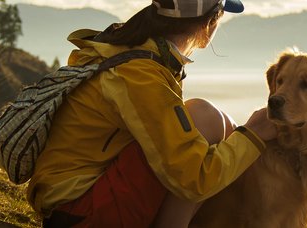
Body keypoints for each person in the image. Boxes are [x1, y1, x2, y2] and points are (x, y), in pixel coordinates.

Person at [26, 0, 276, 227]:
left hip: (72, 202)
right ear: (210, 24)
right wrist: (252, 135)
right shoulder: (140, 73)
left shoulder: (137, 52)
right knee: (206, 118)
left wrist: (236, 133)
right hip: (81, 212)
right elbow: (193, 178)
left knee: (218, 123)